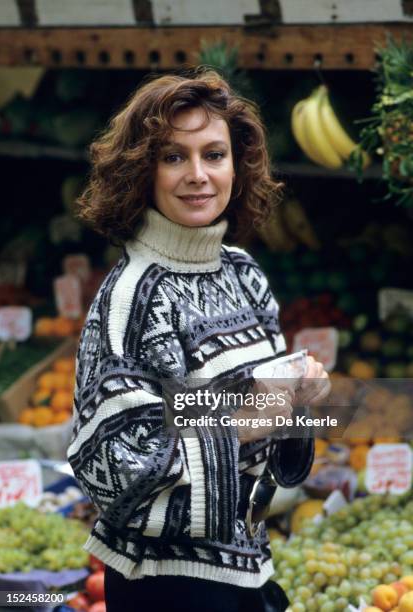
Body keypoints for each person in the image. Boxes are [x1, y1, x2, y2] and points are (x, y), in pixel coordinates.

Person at [67, 68, 331, 612]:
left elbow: (267, 422)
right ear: (143, 170)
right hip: (165, 584)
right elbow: (112, 459)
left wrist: (301, 399)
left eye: (214, 155)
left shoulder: (243, 272)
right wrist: (245, 418)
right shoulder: (133, 297)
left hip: (247, 565)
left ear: (238, 165)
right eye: (172, 157)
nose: (198, 175)